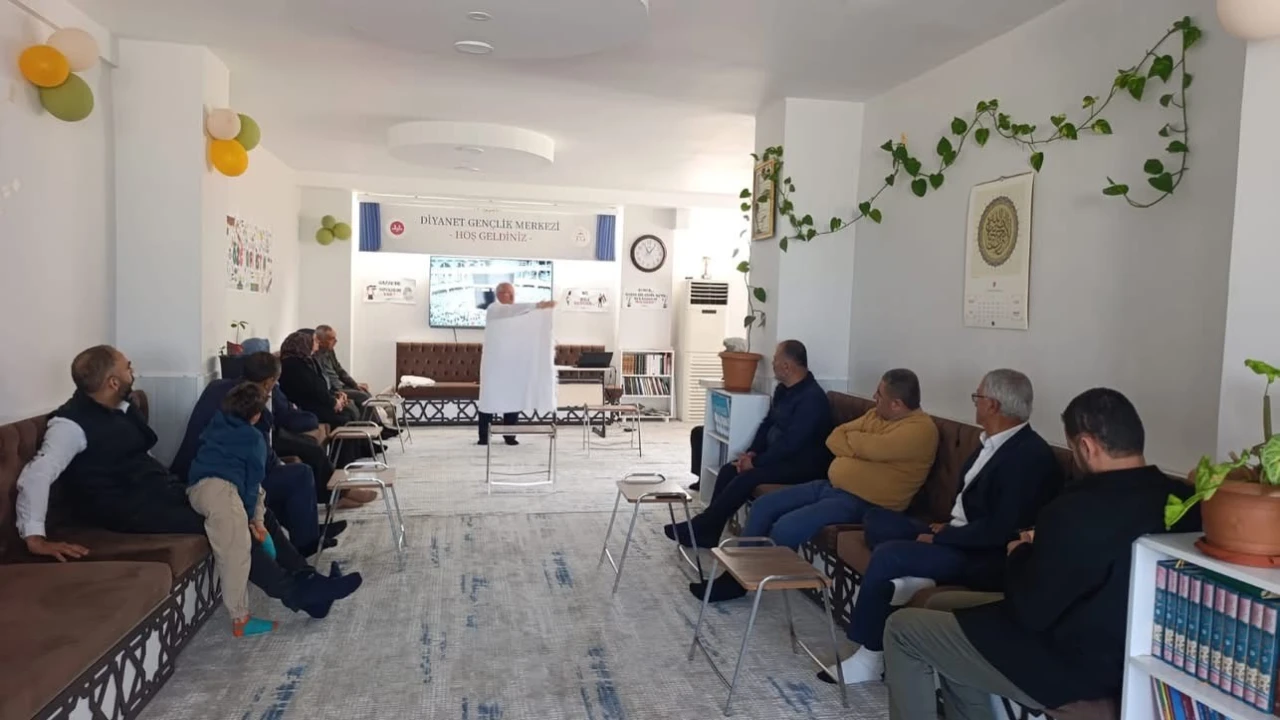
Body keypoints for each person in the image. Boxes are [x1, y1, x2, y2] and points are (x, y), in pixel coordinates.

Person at [882, 388, 1201, 720]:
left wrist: (1020, 551)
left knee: (903, 629)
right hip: (1131, 654)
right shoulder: (1184, 502)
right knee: (939, 606)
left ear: (1087, 446)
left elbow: (1029, 611)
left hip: (1066, 661)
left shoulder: (1072, 510)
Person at [14, 345, 363, 617]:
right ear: (112, 382)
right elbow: (37, 474)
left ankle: (306, 578)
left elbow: (135, 456)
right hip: (128, 509)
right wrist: (35, 538)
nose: (133, 370)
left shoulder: (117, 409)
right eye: (127, 367)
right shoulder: (70, 425)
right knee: (229, 521)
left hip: (158, 492)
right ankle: (297, 595)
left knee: (255, 507)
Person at [819, 369, 1063, 685]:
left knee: (889, 556)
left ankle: (870, 657)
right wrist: (942, 529)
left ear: (993, 405)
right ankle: (924, 576)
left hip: (981, 555)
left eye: (977, 397)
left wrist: (944, 537)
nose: (974, 403)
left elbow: (1001, 529)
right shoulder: (992, 443)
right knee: (877, 520)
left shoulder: (1028, 457)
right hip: (953, 532)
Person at [690, 369, 939, 603]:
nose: (874, 397)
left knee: (786, 528)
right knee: (763, 506)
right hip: (830, 485)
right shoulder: (877, 415)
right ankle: (736, 578)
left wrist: (856, 445)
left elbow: (871, 448)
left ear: (897, 404)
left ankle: (742, 582)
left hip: (863, 502)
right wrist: (859, 449)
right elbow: (835, 437)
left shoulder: (919, 430)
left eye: (880, 394)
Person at [170, 352, 345, 556]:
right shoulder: (252, 403)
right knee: (300, 474)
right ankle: (307, 542)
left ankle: (308, 531)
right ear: (269, 382)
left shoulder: (216, 387)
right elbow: (261, 458)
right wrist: (279, 464)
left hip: (191, 472)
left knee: (289, 473)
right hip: (225, 482)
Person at [664, 340, 832, 549]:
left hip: (802, 466)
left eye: (775, 360)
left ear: (787, 366)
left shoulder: (812, 399)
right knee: (729, 470)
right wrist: (752, 453)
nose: (772, 364)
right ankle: (709, 531)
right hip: (780, 459)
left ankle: (701, 527)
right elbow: (767, 424)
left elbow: (791, 444)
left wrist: (757, 463)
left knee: (747, 477)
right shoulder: (783, 390)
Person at [185, 382, 281, 637]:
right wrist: (250, 518)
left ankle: (260, 528)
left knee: (255, 505)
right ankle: (241, 619)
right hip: (220, 490)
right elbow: (252, 483)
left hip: (197, 488)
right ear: (256, 415)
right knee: (236, 547)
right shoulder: (254, 438)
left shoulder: (217, 422)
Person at [476, 282, 556, 446]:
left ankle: (509, 435)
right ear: (499, 294)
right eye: (508, 293)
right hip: (494, 365)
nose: (512, 296)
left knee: (513, 397)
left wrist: (542, 312)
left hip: (512, 365)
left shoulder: (516, 313)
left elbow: (528, 320)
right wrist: (538, 305)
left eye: (513, 293)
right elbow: (511, 310)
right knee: (489, 400)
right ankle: (484, 437)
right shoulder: (494, 309)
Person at [279, 330, 358, 428]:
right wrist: (334, 403)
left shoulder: (304, 361)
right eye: (315, 342)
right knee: (346, 416)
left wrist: (335, 397)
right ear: (304, 343)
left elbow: (320, 386)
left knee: (349, 411)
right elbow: (315, 390)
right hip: (307, 408)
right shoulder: (293, 365)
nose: (317, 346)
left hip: (316, 403)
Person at [314, 324, 372, 411]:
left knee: (364, 391)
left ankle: (376, 418)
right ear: (321, 341)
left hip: (340, 385)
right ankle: (374, 419)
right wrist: (338, 392)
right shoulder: (315, 355)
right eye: (332, 339)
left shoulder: (330, 351)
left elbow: (339, 370)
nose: (336, 341)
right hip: (332, 390)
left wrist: (355, 384)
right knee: (363, 397)